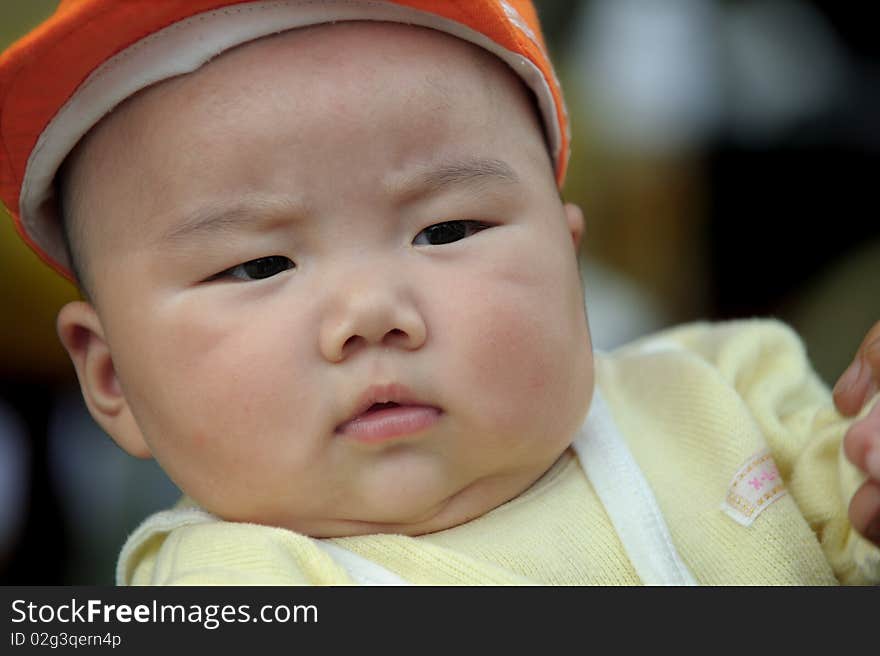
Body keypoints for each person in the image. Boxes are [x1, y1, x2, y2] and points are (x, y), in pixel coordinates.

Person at [0, 0, 878, 585]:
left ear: (569, 267)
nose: (371, 313)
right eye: (259, 266)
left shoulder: (728, 390)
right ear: (112, 377)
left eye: (446, 232)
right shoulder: (235, 580)